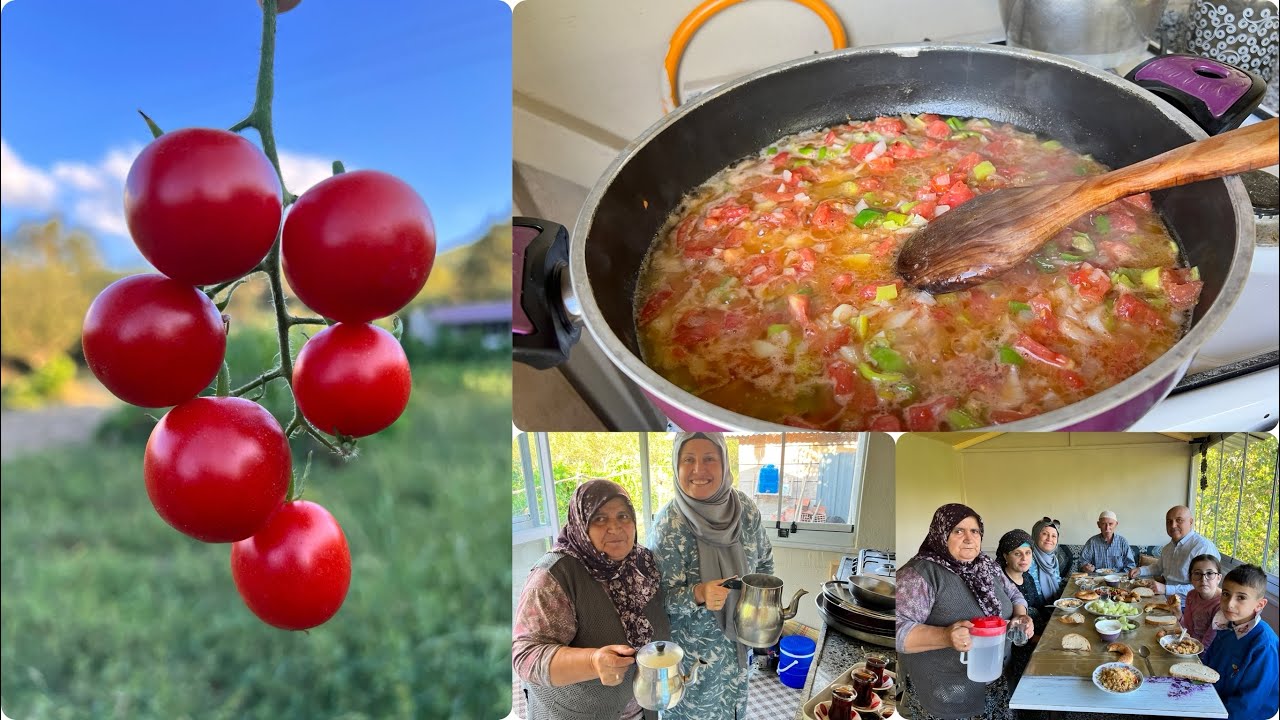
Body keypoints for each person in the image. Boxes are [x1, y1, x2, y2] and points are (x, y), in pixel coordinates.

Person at [514, 479, 671, 720]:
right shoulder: (555, 575)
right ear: (581, 524)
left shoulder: (642, 562)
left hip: (640, 707)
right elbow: (525, 656)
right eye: (599, 519)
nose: (615, 527)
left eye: (623, 516)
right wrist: (592, 662)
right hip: (575, 713)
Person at [649, 432, 774, 720]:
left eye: (709, 459)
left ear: (724, 463)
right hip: (693, 662)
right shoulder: (669, 526)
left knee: (735, 712)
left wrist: (762, 607)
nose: (698, 470)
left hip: (739, 647)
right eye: (688, 460)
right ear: (676, 465)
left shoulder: (745, 511)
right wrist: (698, 593)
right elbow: (656, 601)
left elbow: (765, 563)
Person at [896, 504, 1035, 720]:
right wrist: (944, 636)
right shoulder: (920, 574)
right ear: (941, 534)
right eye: (958, 531)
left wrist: (1021, 616)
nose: (969, 539)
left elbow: (1015, 594)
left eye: (975, 531)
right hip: (947, 692)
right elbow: (896, 628)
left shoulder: (987, 566)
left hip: (997, 682)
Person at [1203, 564, 1278, 720]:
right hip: (1214, 698)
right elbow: (1207, 665)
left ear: (1260, 604)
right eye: (1226, 594)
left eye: (1241, 597)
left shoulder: (1264, 644)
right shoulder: (1226, 625)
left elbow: (1248, 704)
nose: (1229, 603)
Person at [1128, 505, 1219, 603]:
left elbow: (1205, 586)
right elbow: (1158, 567)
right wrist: (1140, 570)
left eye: (1179, 520)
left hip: (1189, 604)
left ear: (1191, 522)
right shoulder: (1168, 548)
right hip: (1166, 599)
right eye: (1169, 521)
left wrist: (1166, 589)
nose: (1173, 525)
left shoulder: (1203, 547)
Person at [1182, 554, 1222, 650]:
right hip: (1191, 644)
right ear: (1190, 578)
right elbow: (1187, 626)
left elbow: (1211, 638)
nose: (1203, 579)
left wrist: (1196, 653)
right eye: (1197, 573)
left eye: (1210, 573)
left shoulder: (1222, 603)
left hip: (1209, 651)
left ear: (1218, 578)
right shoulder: (1191, 595)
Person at [1029, 517, 1067, 603]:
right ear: (1035, 535)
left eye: (1054, 536)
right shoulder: (1027, 559)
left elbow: (1058, 581)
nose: (1049, 539)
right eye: (1045, 534)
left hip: (1055, 603)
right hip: (1038, 606)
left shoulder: (1053, 559)